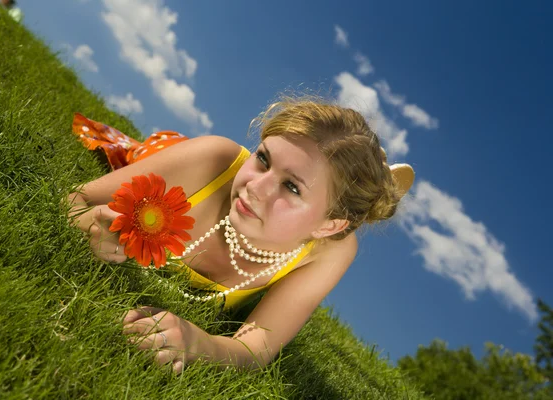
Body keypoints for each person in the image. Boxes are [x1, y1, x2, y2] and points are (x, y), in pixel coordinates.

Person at [67, 96, 415, 373]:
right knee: (143, 151)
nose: (255, 187)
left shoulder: (329, 251)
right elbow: (77, 199)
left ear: (329, 225)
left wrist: (199, 343)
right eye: (263, 159)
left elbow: (254, 348)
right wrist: (90, 223)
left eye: (292, 187)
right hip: (177, 159)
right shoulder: (212, 161)